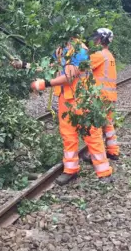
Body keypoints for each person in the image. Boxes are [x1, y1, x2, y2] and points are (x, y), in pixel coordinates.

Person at [13, 33, 112, 185]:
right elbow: (50, 67)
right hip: (65, 100)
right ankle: (71, 170)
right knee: (68, 135)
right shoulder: (61, 50)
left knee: (92, 134)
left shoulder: (79, 50)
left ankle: (104, 173)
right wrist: (24, 65)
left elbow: (70, 76)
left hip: (82, 99)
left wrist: (43, 84)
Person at [89, 28, 119, 159]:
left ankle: (97, 156)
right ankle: (113, 151)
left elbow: (83, 66)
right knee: (108, 123)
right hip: (110, 96)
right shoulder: (109, 55)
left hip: (100, 96)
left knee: (95, 126)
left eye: (96, 38)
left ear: (101, 39)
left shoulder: (98, 55)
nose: (94, 40)